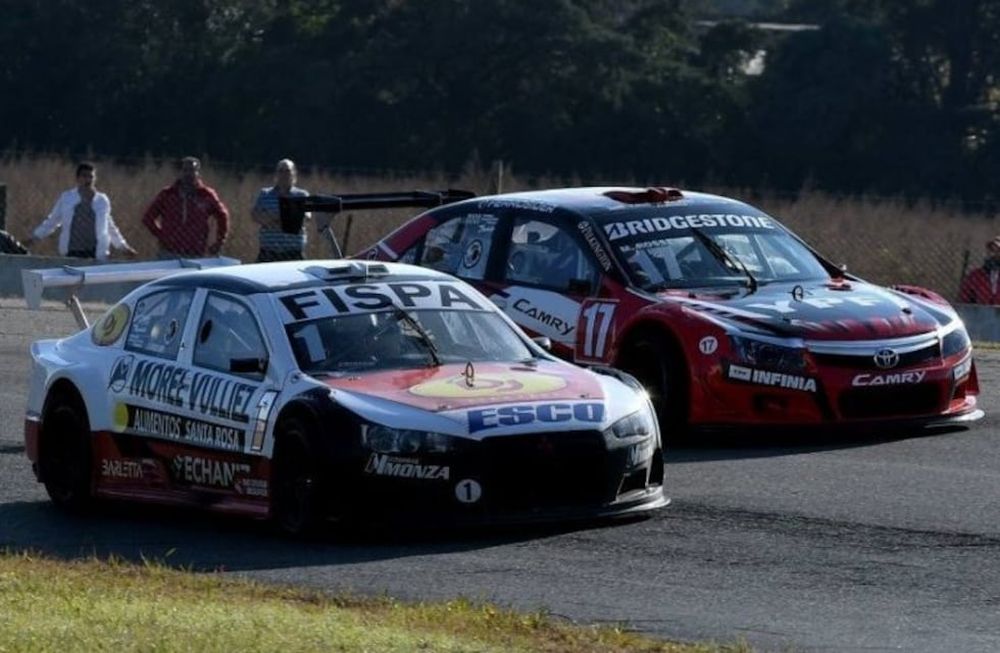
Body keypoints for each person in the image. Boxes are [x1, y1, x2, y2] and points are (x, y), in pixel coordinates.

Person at [23, 162, 136, 260]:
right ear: (77, 178)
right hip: (72, 251)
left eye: (91, 177)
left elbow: (110, 227)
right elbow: (53, 221)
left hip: (96, 253)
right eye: (84, 176)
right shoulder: (67, 198)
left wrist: (123, 247)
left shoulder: (102, 201)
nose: (88, 180)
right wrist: (35, 237)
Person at [142, 156, 229, 258]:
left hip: (196, 251)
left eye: (192, 170)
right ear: (180, 172)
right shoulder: (168, 194)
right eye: (185, 170)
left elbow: (222, 216)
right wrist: (163, 236)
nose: (188, 174)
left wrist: (219, 241)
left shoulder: (206, 195)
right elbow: (148, 218)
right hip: (169, 251)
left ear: (198, 173)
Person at [251, 158, 310, 262]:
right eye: (280, 171)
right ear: (276, 174)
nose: (283, 174)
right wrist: (287, 215)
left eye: (287, 171)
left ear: (293, 174)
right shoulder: (265, 194)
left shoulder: (302, 195)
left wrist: (271, 217)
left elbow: (305, 218)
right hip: (268, 253)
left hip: (293, 253)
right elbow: (256, 216)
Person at [959, 236, 1000, 304]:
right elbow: (965, 298)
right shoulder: (976, 275)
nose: (994, 254)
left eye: (998, 251)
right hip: (981, 311)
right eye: (992, 250)